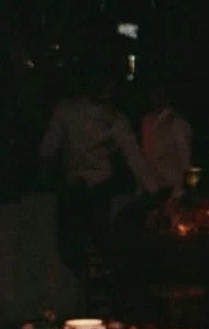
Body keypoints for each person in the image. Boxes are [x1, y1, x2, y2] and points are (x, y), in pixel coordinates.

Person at [39, 61, 156, 276]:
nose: (107, 89)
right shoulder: (67, 110)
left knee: (99, 250)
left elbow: (134, 157)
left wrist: (153, 190)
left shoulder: (115, 120)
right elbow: (48, 149)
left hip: (99, 191)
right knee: (71, 251)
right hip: (73, 190)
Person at [141, 82, 194, 196]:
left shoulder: (177, 123)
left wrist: (182, 190)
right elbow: (146, 156)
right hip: (152, 185)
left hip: (172, 187)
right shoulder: (147, 121)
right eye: (154, 92)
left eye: (160, 93)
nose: (155, 96)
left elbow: (186, 160)